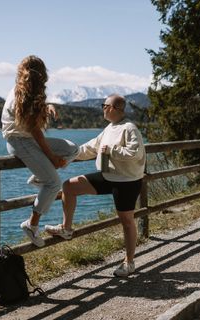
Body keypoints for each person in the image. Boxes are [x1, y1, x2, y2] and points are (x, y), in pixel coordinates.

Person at [45, 94, 146, 277]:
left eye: (104, 105)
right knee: (69, 186)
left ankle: (129, 262)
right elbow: (90, 148)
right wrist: (67, 155)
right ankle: (66, 229)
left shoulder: (129, 128)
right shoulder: (109, 128)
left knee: (127, 222)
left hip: (126, 181)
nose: (102, 108)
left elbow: (136, 153)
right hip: (107, 176)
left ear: (114, 108)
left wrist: (113, 150)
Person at [1, 55, 79, 248]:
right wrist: (52, 158)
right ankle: (31, 224)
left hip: (27, 140)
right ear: (42, 74)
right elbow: (35, 131)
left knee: (72, 149)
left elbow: (33, 119)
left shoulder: (29, 92)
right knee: (54, 183)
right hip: (19, 141)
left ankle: (40, 178)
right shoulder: (21, 95)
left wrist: (47, 106)